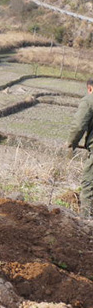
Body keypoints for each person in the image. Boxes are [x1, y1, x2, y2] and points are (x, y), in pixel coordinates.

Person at [66, 78, 93, 218]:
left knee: (89, 184)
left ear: (90, 88)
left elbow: (78, 125)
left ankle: (85, 221)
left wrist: (72, 144)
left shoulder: (89, 100)